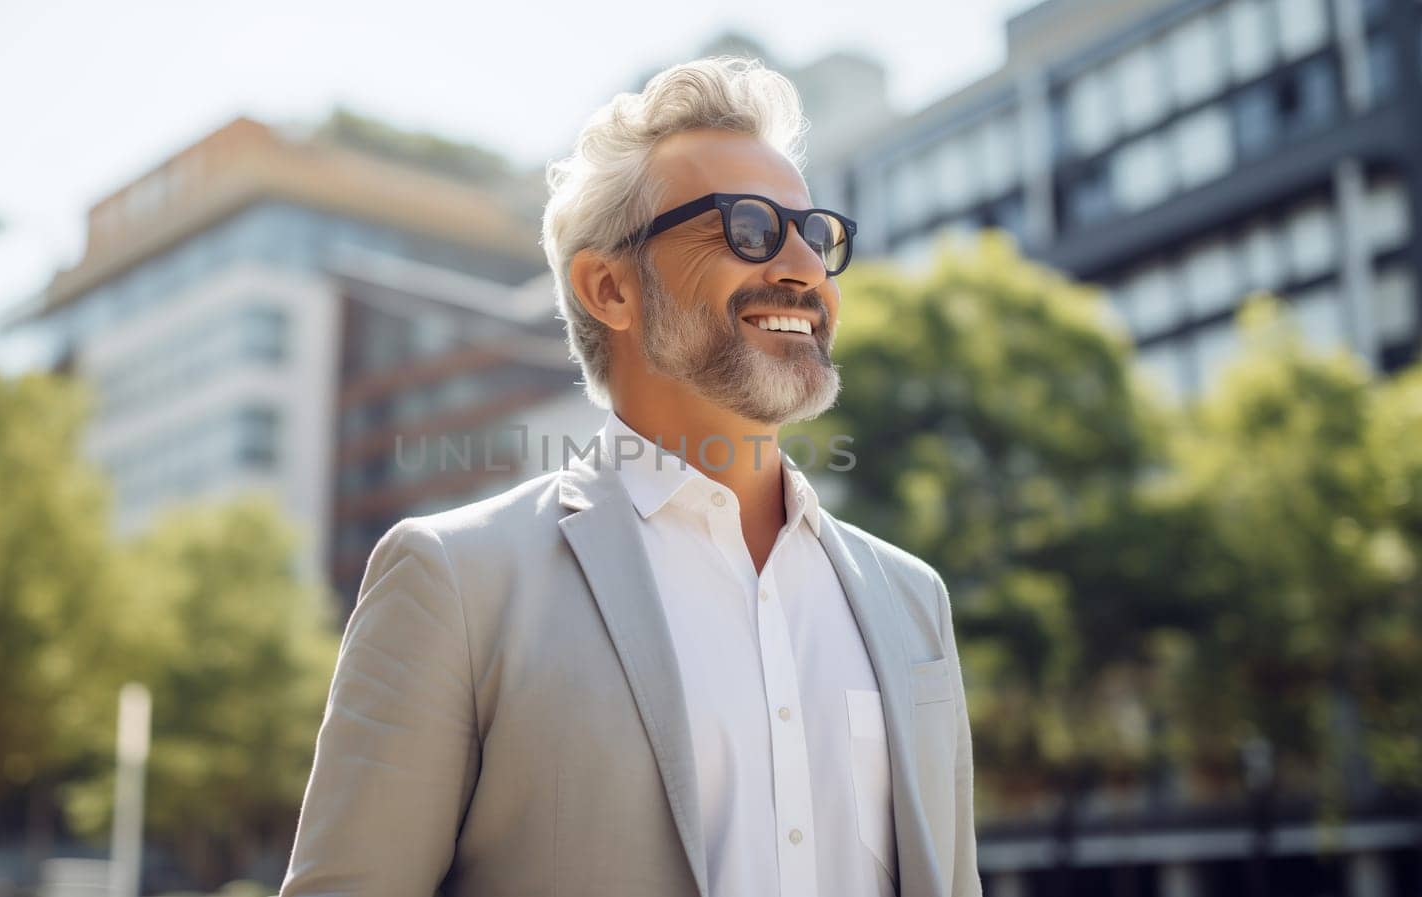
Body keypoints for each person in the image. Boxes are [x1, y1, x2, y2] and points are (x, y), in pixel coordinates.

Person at [278, 55, 981, 897]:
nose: (804, 268)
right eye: (750, 227)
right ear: (610, 286)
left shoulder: (914, 602)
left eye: (817, 234)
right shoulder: (454, 585)